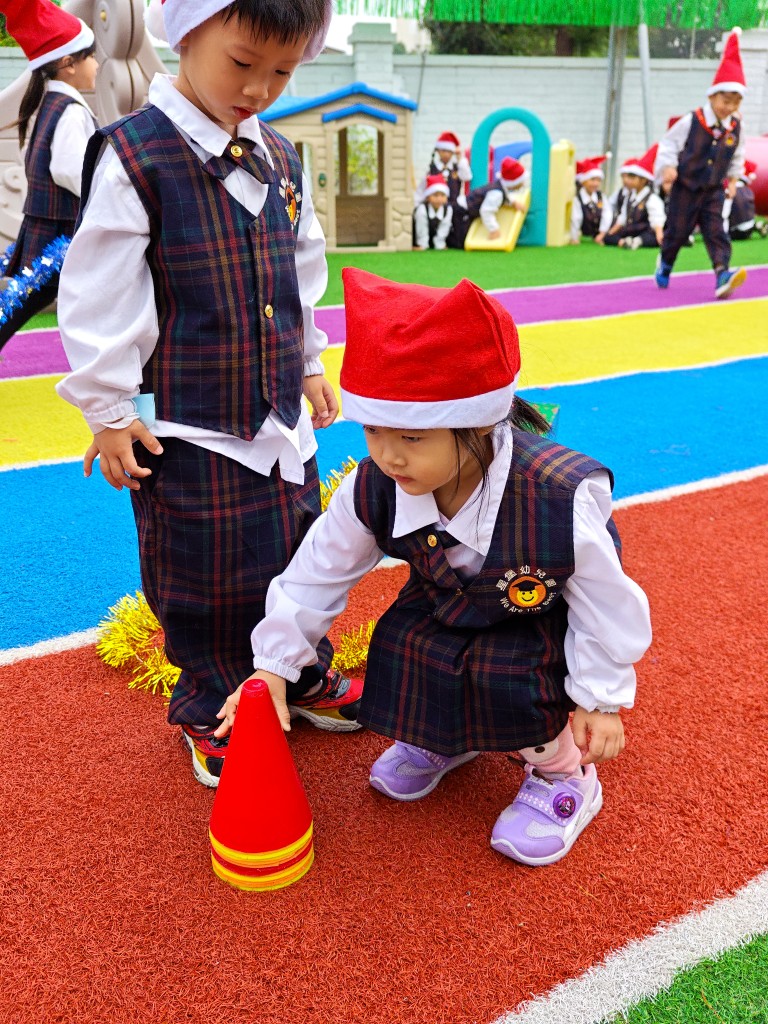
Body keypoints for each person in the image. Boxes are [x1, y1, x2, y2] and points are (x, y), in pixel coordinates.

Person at [215, 269, 653, 868]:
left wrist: (600, 699)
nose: (389, 456)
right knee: (406, 648)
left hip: (534, 622)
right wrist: (274, 666)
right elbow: (318, 571)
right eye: (374, 430)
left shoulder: (556, 496)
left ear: (477, 423)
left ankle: (563, 774)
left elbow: (604, 604)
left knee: (514, 679)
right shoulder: (375, 485)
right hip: (446, 606)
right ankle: (444, 737)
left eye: (413, 438)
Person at [55, 0, 364, 790]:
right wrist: (109, 409)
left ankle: (296, 671)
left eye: (282, 72)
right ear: (186, 33)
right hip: (190, 426)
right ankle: (211, 704)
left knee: (296, 553)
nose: (259, 88)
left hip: (281, 423)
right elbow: (99, 292)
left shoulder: (281, 157)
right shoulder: (137, 155)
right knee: (204, 574)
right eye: (242, 63)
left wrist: (308, 362)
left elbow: (300, 271)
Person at [0, 0, 98, 352]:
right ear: (68, 64)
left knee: (18, 305)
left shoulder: (51, 105)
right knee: (16, 307)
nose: (96, 65)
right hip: (61, 236)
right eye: (90, 57)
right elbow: (68, 169)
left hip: (47, 229)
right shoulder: (70, 111)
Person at [654, 28, 747, 299]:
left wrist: (733, 180)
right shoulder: (693, 120)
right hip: (686, 186)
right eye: (725, 101)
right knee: (678, 231)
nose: (728, 107)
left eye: (734, 103)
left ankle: (722, 274)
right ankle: (666, 262)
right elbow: (668, 144)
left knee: (716, 231)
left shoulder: (735, 127)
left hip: (713, 190)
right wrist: (668, 167)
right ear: (712, 96)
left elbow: (737, 155)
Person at [600, 147, 665, 250]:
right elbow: (623, 217)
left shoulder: (651, 198)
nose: (627, 181)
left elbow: (657, 219)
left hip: (645, 231)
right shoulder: (629, 195)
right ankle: (624, 242)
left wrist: (659, 235)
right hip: (629, 231)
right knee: (608, 237)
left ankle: (637, 241)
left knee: (651, 238)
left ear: (643, 180)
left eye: (632, 178)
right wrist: (611, 232)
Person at [454, 156, 528, 247]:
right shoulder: (497, 194)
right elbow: (486, 211)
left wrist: (513, 203)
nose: (523, 184)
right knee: (460, 242)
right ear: (514, 182)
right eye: (521, 182)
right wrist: (494, 229)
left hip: (465, 208)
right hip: (462, 212)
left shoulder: (499, 186)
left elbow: (504, 195)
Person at [415, 130, 472, 206]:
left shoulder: (457, 167)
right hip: (436, 207)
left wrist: (460, 158)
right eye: (443, 151)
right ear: (438, 151)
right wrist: (418, 206)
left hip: (454, 207)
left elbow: (467, 177)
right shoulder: (432, 169)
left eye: (449, 151)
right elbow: (421, 190)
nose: (446, 154)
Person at [570, 154, 609, 243]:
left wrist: (602, 233)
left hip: (599, 235)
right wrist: (574, 237)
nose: (595, 184)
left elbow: (607, 214)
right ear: (583, 181)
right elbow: (576, 218)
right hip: (584, 235)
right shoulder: (578, 198)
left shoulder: (601, 196)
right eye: (592, 180)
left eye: (598, 180)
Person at [724, 160, 767, 240]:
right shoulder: (748, 192)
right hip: (746, 230)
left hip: (732, 232)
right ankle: (755, 225)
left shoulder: (728, 191)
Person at [412, 174, 452, 250]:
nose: (439, 199)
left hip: (435, 242)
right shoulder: (422, 209)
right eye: (435, 195)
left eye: (442, 195)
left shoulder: (448, 210)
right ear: (428, 197)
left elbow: (444, 228)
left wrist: (440, 245)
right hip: (419, 240)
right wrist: (423, 245)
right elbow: (421, 230)